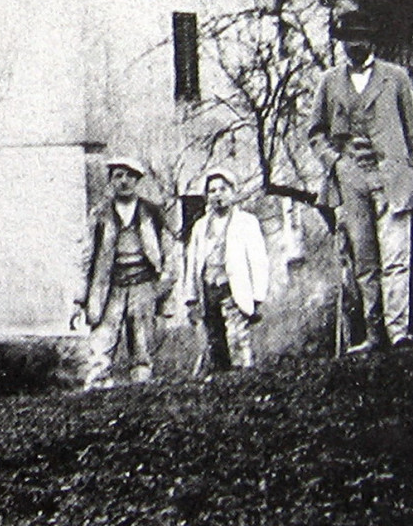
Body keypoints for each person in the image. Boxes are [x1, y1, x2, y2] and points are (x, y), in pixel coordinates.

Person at [308, 8, 413, 352]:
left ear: (371, 39)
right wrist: (335, 162)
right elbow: (315, 133)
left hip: (393, 176)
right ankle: (374, 334)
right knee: (364, 262)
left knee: (395, 257)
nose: (353, 45)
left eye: (359, 38)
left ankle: (398, 332)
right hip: (352, 180)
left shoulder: (396, 77)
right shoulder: (330, 82)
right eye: (347, 39)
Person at [74, 157, 177, 390]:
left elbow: (168, 253)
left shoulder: (151, 212)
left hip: (143, 286)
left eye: (130, 176)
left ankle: (141, 391)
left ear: (138, 180)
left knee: (142, 345)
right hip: (109, 287)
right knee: (102, 343)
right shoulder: (100, 215)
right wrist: (79, 299)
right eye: (118, 175)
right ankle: (99, 390)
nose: (124, 181)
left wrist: (163, 288)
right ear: (110, 180)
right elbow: (86, 258)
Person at [182, 169, 270, 371]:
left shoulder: (246, 222)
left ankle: (243, 373)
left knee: (238, 335)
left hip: (234, 286)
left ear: (233, 191)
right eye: (212, 191)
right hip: (208, 287)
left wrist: (257, 295)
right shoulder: (201, 226)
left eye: (223, 189)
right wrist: (191, 296)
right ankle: (221, 376)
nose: (218, 195)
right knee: (214, 335)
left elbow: (258, 260)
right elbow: (193, 262)